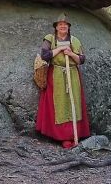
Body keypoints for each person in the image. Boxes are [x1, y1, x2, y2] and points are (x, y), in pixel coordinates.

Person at [35, 13, 90, 148]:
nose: (62, 26)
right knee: (58, 104)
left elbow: (82, 59)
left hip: (72, 74)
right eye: (60, 25)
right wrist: (60, 48)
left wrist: (71, 53)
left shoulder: (75, 41)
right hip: (56, 75)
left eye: (65, 25)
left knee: (74, 103)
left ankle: (74, 135)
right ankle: (62, 137)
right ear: (56, 27)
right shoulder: (50, 39)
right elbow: (45, 55)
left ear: (68, 27)